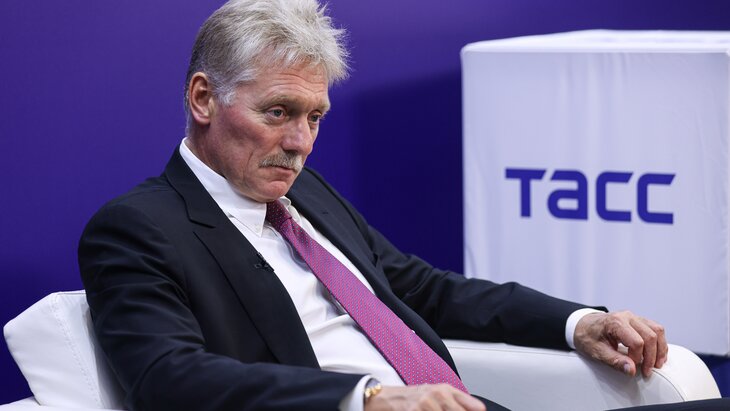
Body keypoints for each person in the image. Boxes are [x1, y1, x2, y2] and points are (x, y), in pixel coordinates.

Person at [78, 1, 723, 410]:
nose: (300, 143)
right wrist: (365, 400)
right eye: (277, 113)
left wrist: (576, 322)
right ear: (203, 99)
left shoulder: (303, 192)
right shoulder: (137, 228)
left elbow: (419, 288)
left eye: (315, 117)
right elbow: (169, 378)